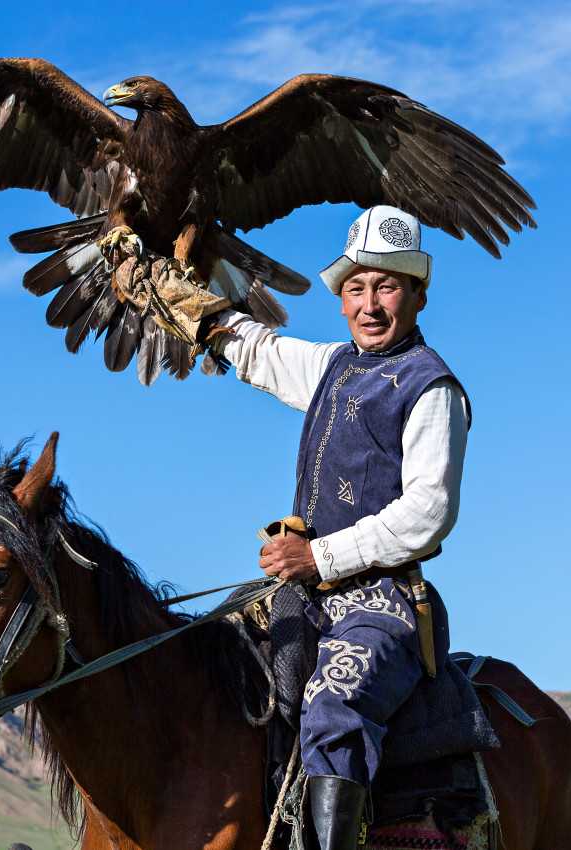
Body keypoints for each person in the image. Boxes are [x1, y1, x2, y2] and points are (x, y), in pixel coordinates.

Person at [208, 205, 471, 850]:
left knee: (332, 709)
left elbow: (429, 511)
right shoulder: (330, 367)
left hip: (385, 604)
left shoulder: (430, 387)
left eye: (387, 285)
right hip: (301, 596)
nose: (370, 303)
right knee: (208, 666)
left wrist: (320, 556)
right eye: (357, 287)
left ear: (417, 293)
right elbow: (258, 351)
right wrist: (186, 296)